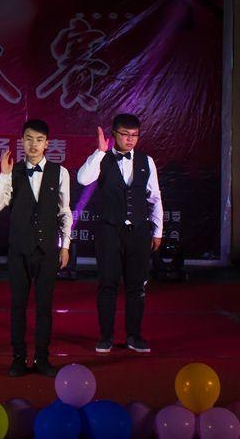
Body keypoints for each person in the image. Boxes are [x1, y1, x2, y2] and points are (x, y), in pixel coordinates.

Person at [0, 119, 72, 377]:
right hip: (19, 250)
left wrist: (65, 246)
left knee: (44, 308)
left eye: (39, 140)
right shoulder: (12, 171)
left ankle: (42, 358)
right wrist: (4, 175)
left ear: (47, 144)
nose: (33, 145)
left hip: (47, 251)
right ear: (22, 142)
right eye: (28, 139)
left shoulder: (60, 172)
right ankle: (18, 358)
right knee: (18, 307)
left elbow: (64, 212)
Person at [76, 113, 163, 354]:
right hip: (109, 231)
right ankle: (106, 337)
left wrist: (158, 231)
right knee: (108, 285)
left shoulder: (147, 161)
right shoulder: (102, 159)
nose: (130, 139)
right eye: (125, 134)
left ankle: (134, 336)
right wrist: (100, 152)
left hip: (139, 232)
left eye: (135, 135)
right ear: (114, 134)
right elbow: (82, 179)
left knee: (137, 287)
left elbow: (155, 197)